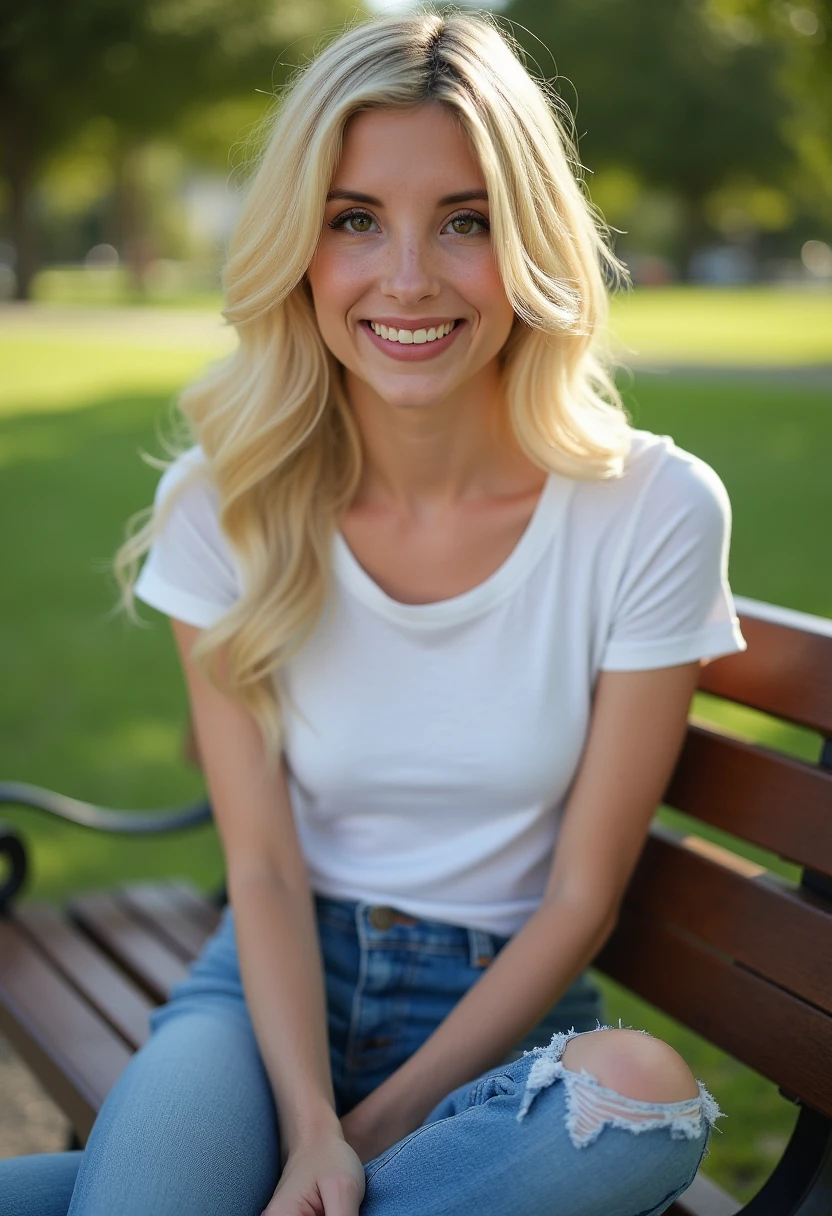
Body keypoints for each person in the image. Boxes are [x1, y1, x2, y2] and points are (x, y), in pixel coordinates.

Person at [1, 9, 747, 1216]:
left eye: (466, 221)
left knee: (641, 1097)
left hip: (501, 1013)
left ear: (532, 240)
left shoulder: (652, 509)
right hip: (265, 994)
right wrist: (306, 1121)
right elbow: (263, 864)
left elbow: (579, 898)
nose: (407, 277)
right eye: (356, 220)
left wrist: (366, 1137)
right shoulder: (226, 503)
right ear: (300, 245)